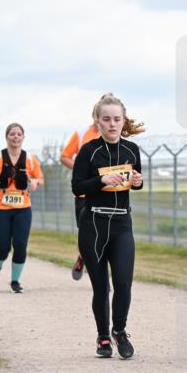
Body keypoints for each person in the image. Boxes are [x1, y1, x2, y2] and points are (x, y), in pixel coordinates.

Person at [72, 93, 145, 359]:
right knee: (102, 287)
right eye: (106, 119)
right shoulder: (89, 151)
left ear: (123, 121)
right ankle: (103, 337)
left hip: (121, 222)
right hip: (93, 222)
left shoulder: (131, 150)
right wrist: (101, 182)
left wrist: (137, 181)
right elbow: (77, 187)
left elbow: (136, 183)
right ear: (97, 121)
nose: (112, 124)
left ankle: (120, 331)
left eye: (117, 119)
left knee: (124, 282)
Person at [0, 123, 43, 293]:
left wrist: (35, 182)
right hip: (0, 208)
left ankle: (15, 281)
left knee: (21, 244)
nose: (15, 137)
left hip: (23, 208)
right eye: (12, 134)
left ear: (23, 137)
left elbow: (39, 179)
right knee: (3, 246)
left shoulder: (30, 158)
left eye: (19, 134)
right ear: (6, 137)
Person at [60, 120, 101, 280]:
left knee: (103, 234)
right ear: (95, 115)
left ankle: (102, 276)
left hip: (107, 193)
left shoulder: (114, 133)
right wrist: (82, 167)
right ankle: (82, 257)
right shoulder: (82, 134)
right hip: (84, 194)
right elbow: (64, 157)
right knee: (85, 233)